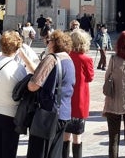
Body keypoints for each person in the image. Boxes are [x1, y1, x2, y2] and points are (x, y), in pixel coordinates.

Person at [27, 31, 76, 158]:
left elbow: (33, 85)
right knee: (55, 152)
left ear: (55, 43)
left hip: (47, 114)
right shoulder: (69, 60)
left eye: (49, 41)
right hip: (64, 112)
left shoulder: (51, 59)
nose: (47, 43)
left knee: (38, 152)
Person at [0, 30, 32, 158]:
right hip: (9, 113)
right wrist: (25, 59)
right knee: (8, 151)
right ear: (17, 48)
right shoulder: (17, 68)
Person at [63, 30, 94, 158]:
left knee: (65, 136)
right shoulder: (86, 59)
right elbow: (90, 77)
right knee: (77, 136)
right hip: (80, 99)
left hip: (66, 99)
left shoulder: (66, 56)